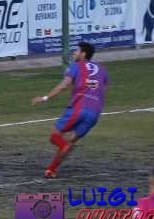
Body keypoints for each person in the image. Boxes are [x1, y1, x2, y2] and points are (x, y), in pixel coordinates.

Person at [32, 41, 108, 178]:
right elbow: (103, 91)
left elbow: (63, 86)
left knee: (55, 136)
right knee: (70, 141)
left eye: (77, 50)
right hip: (95, 112)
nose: (74, 53)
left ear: (83, 54)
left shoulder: (76, 66)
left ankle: (60, 152)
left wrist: (44, 98)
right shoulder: (103, 70)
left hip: (79, 108)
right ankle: (50, 170)